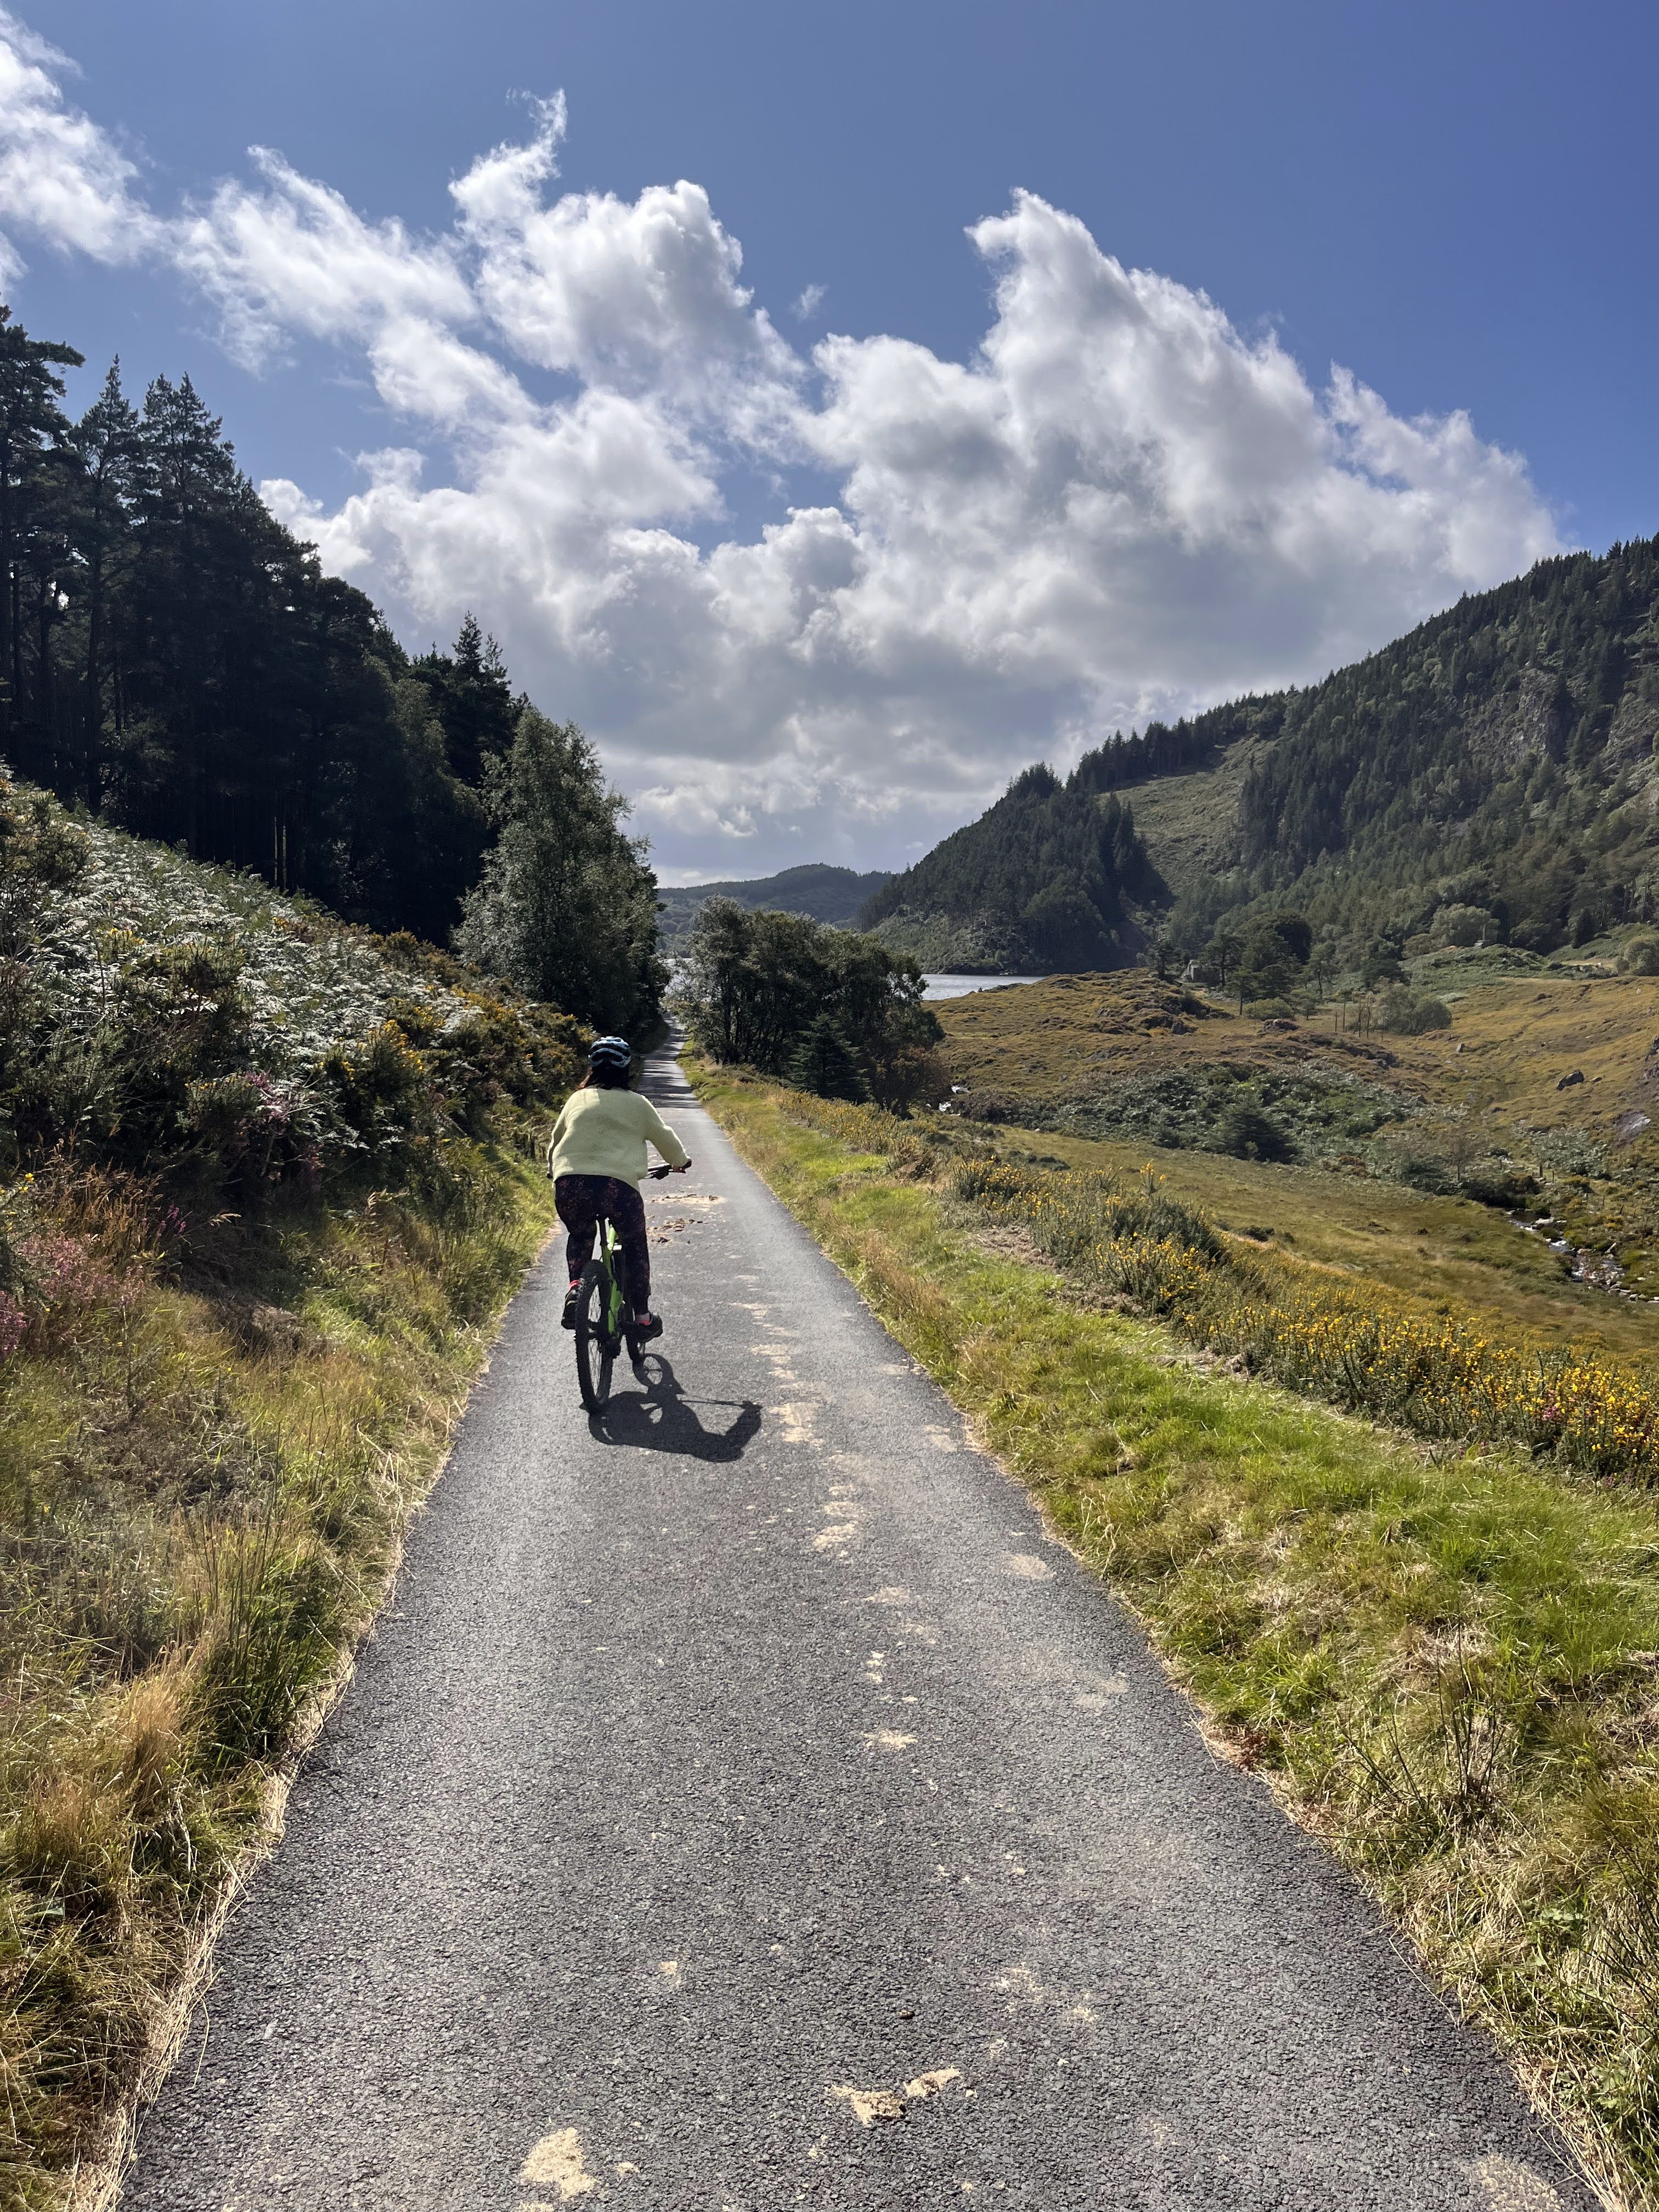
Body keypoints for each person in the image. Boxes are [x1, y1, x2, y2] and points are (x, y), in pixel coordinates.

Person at [546, 1035, 691, 1340]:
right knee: (635, 1247)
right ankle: (642, 1319)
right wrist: (680, 1161)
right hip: (618, 1189)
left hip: (571, 1184)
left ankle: (575, 1290)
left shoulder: (577, 1100)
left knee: (581, 1234)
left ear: (592, 1068)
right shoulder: (637, 1104)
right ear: (628, 1068)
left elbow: (556, 1140)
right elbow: (665, 1138)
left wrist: (554, 1171)